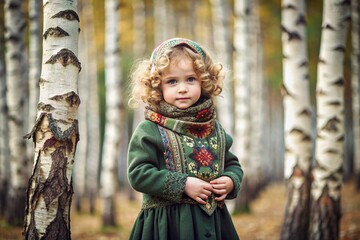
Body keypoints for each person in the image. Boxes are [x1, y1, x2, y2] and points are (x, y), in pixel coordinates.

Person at [127, 37, 243, 240]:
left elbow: (232, 163)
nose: (182, 88)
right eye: (172, 81)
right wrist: (183, 184)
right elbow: (138, 173)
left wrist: (230, 180)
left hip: (214, 223)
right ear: (157, 86)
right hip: (167, 226)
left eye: (191, 79)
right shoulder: (150, 129)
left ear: (205, 82)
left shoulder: (213, 128)